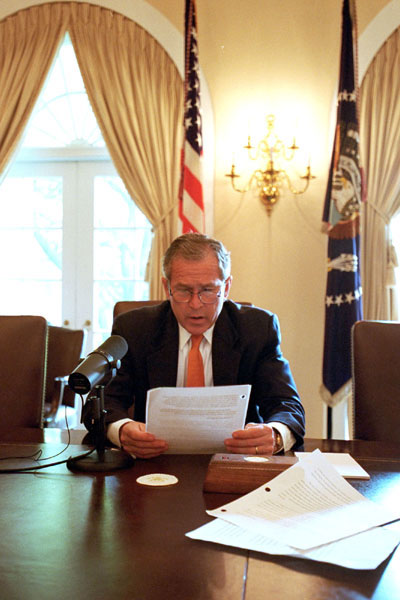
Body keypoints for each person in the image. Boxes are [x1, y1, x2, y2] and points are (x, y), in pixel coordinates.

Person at [103, 233, 305, 458]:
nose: (195, 304)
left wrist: (275, 435)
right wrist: (121, 430)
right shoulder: (135, 328)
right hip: (153, 464)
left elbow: (286, 404)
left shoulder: (257, 328)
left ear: (226, 287)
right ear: (166, 287)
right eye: (183, 290)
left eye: (208, 291)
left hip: (234, 463)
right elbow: (104, 401)